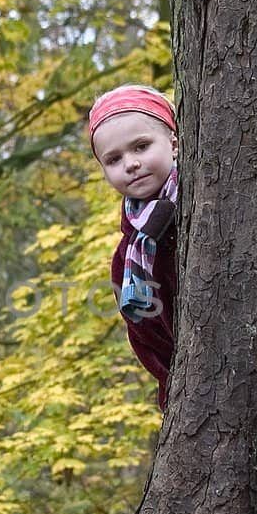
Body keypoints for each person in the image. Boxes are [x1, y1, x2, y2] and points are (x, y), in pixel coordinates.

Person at [88, 84, 178, 410]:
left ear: (174, 142)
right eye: (114, 159)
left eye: (141, 146)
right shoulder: (129, 255)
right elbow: (143, 333)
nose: (130, 163)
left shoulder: (204, 204)